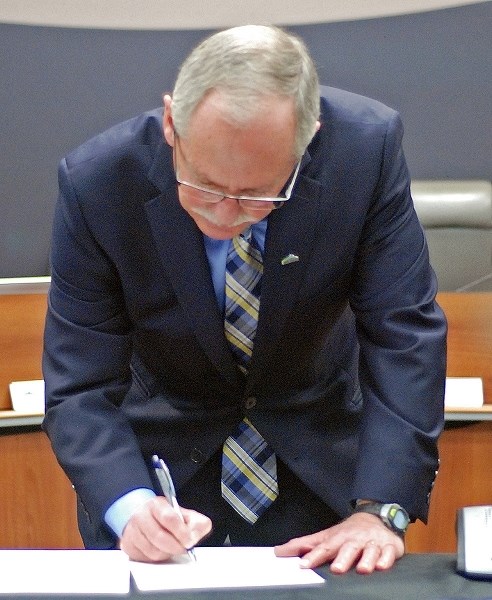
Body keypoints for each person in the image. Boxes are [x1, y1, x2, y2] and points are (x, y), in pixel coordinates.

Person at [42, 24, 447, 575]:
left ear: (308, 141)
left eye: (258, 195)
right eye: (203, 185)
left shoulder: (364, 151)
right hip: (163, 479)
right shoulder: (98, 182)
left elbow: (404, 332)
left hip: (325, 480)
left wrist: (381, 510)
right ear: (171, 124)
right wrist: (130, 507)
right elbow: (80, 384)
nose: (224, 214)